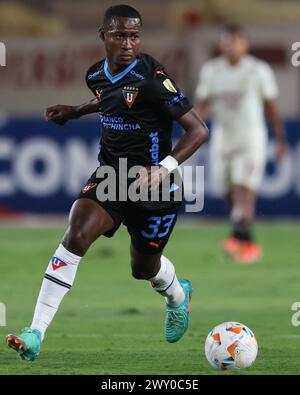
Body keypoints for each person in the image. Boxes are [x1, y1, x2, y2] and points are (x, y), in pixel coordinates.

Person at [6, 5, 208, 361]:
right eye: (119, 35)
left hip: (155, 187)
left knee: (143, 269)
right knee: (76, 235)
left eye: (134, 35)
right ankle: (35, 332)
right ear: (103, 36)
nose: (128, 43)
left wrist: (163, 168)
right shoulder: (95, 74)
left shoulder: (154, 79)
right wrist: (75, 111)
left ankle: (178, 295)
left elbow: (199, 130)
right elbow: (110, 99)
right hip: (110, 177)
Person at [195, 24, 286, 264]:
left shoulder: (258, 70)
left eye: (236, 41)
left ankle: (236, 235)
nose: (232, 46)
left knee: (243, 188)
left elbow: (271, 107)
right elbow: (201, 105)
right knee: (228, 192)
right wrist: (192, 130)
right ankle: (247, 242)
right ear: (222, 45)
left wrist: (280, 138)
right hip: (223, 139)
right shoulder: (211, 70)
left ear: (245, 45)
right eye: (227, 41)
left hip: (251, 139)